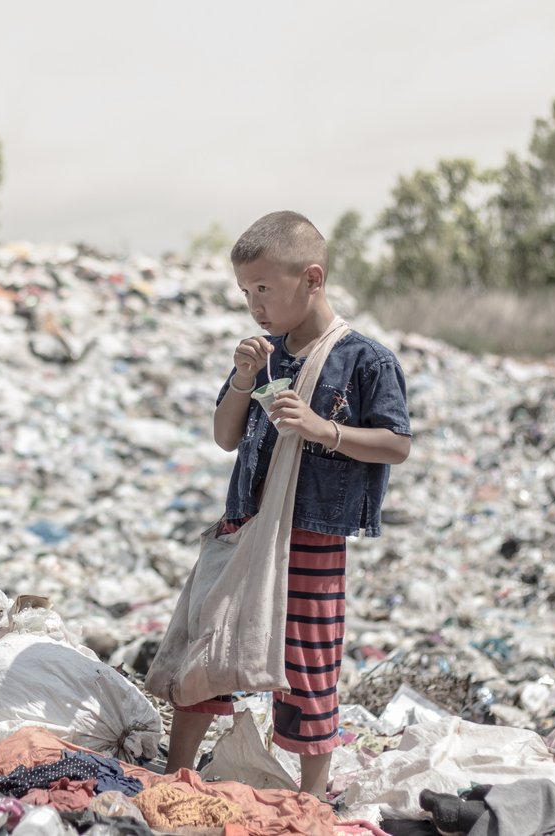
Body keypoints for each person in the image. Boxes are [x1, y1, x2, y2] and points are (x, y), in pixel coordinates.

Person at [163, 211, 412, 798]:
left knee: (308, 663)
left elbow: (396, 444)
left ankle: (311, 796)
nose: (255, 304)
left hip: (312, 534)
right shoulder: (263, 354)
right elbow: (225, 436)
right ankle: (173, 773)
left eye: (265, 289)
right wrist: (244, 377)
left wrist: (324, 429)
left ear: (313, 278)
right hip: (245, 524)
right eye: (246, 291)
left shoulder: (365, 361)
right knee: (210, 645)